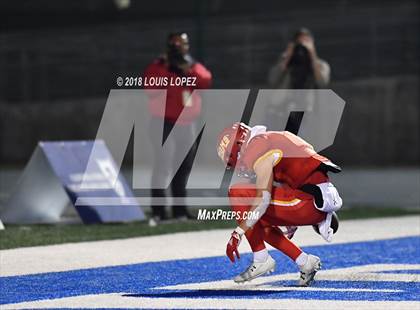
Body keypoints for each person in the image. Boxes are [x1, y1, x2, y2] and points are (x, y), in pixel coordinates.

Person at [217, 122, 342, 286]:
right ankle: (305, 261)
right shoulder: (274, 138)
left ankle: (260, 257)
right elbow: (296, 173)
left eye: (235, 158)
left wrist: (238, 232)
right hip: (315, 195)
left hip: (307, 201)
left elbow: (263, 199)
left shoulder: (258, 145)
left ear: (239, 146)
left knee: (237, 193)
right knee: (259, 222)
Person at [144, 32, 212, 225]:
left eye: (183, 44)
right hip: (163, 122)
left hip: (187, 123)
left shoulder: (190, 65)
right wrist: (169, 70)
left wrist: (189, 68)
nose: (180, 48)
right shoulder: (159, 65)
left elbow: (206, 80)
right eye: (177, 44)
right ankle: (158, 211)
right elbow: (150, 89)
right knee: (163, 166)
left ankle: (180, 210)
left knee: (183, 168)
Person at [267, 28, 331, 133]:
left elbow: (322, 81)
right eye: (299, 43)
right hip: (282, 110)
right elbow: (273, 80)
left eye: (306, 42)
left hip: (306, 112)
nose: (302, 46)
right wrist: (288, 56)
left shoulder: (320, 64)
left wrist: (312, 55)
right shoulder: (286, 62)